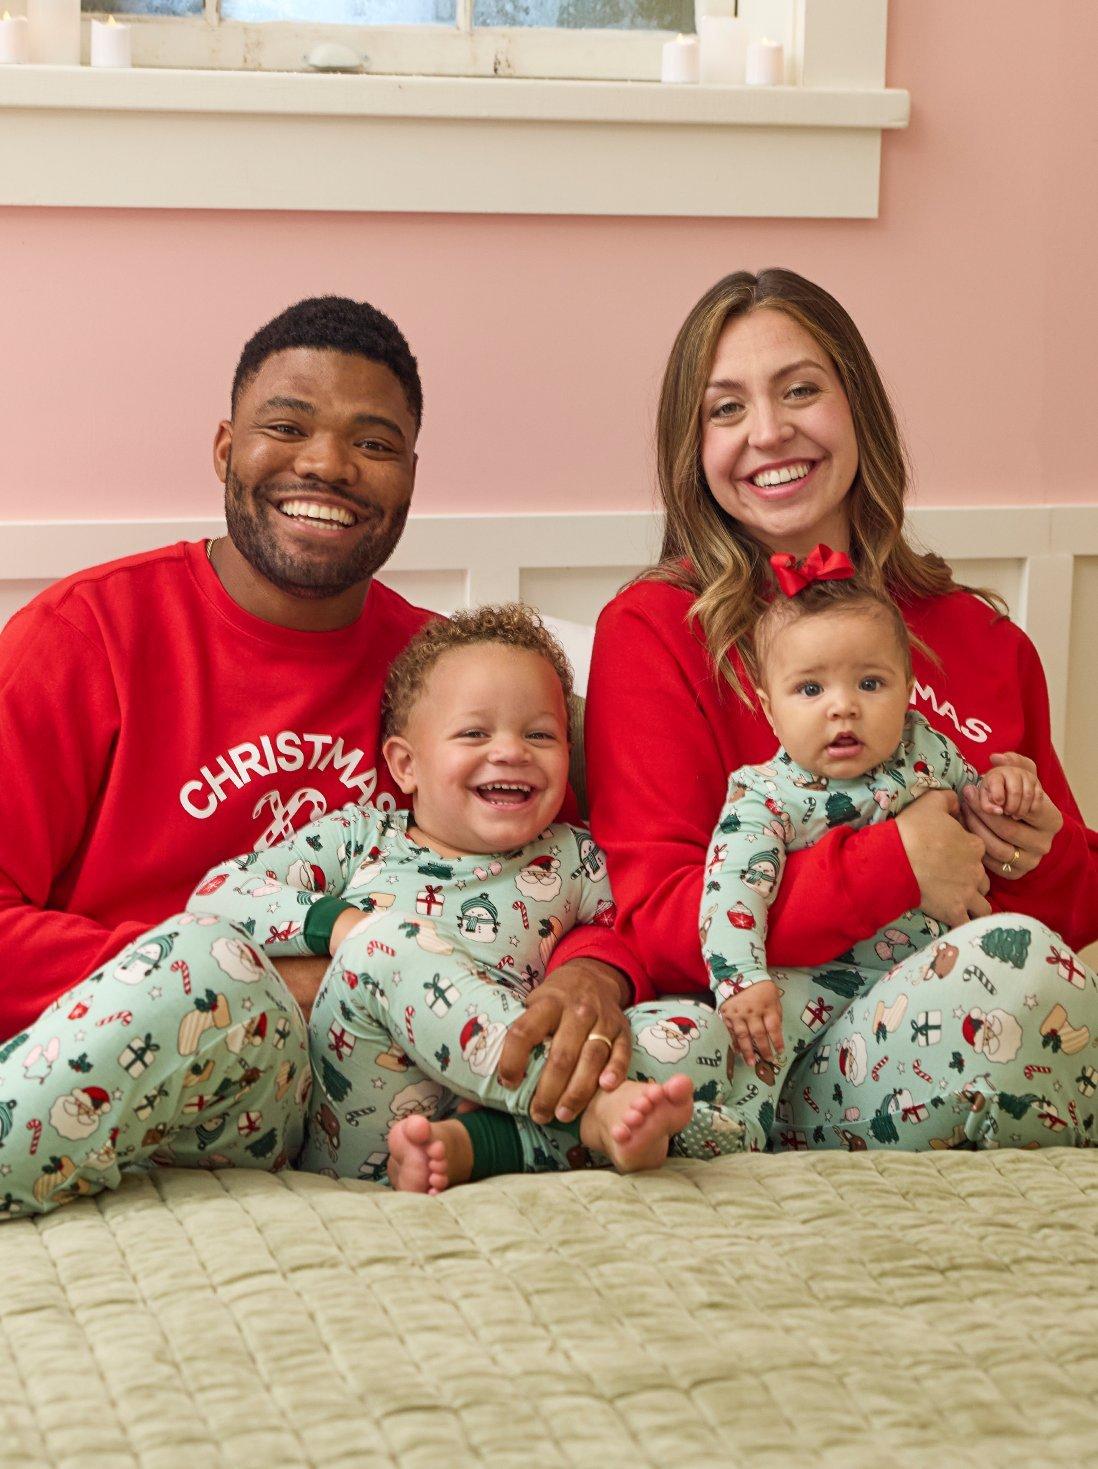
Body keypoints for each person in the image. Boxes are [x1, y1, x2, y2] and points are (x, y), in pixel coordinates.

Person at [0, 296, 635, 1217]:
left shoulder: (458, 684)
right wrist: (248, 972)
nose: (328, 465)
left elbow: (582, 870)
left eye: (373, 443)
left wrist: (592, 971)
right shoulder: (83, 636)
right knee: (213, 961)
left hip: (363, 1102)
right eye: (287, 426)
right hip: (143, 1057)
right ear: (225, 448)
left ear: (412, 476)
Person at [585, 267, 1098, 1152]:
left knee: (1026, 986)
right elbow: (659, 922)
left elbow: (1072, 914)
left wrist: (1033, 846)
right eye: (726, 409)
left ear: (857, 405)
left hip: (968, 1023)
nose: (770, 431)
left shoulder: (982, 638)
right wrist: (896, 861)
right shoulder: (653, 629)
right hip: (761, 1032)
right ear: (692, 446)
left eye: (800, 390)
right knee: (650, 1050)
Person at [186, 605, 729, 1195]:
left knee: (693, 1028)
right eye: (475, 732)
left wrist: (595, 974)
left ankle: (492, 1147)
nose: (511, 751)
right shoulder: (358, 836)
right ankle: (593, 1117)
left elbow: (644, 933)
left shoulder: (576, 855)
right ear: (405, 764)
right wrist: (343, 929)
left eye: (540, 734)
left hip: (502, 1112)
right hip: (365, 1107)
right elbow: (219, 895)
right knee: (385, 942)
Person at [701, 545, 1078, 1151]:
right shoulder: (765, 796)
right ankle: (740, 1129)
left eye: (870, 683)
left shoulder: (926, 752)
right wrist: (740, 977)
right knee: (757, 1035)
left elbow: (982, 810)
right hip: (817, 979)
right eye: (810, 688)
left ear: (907, 689)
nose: (843, 705)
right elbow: (731, 891)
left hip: (924, 976)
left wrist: (1010, 791)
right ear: (769, 709)